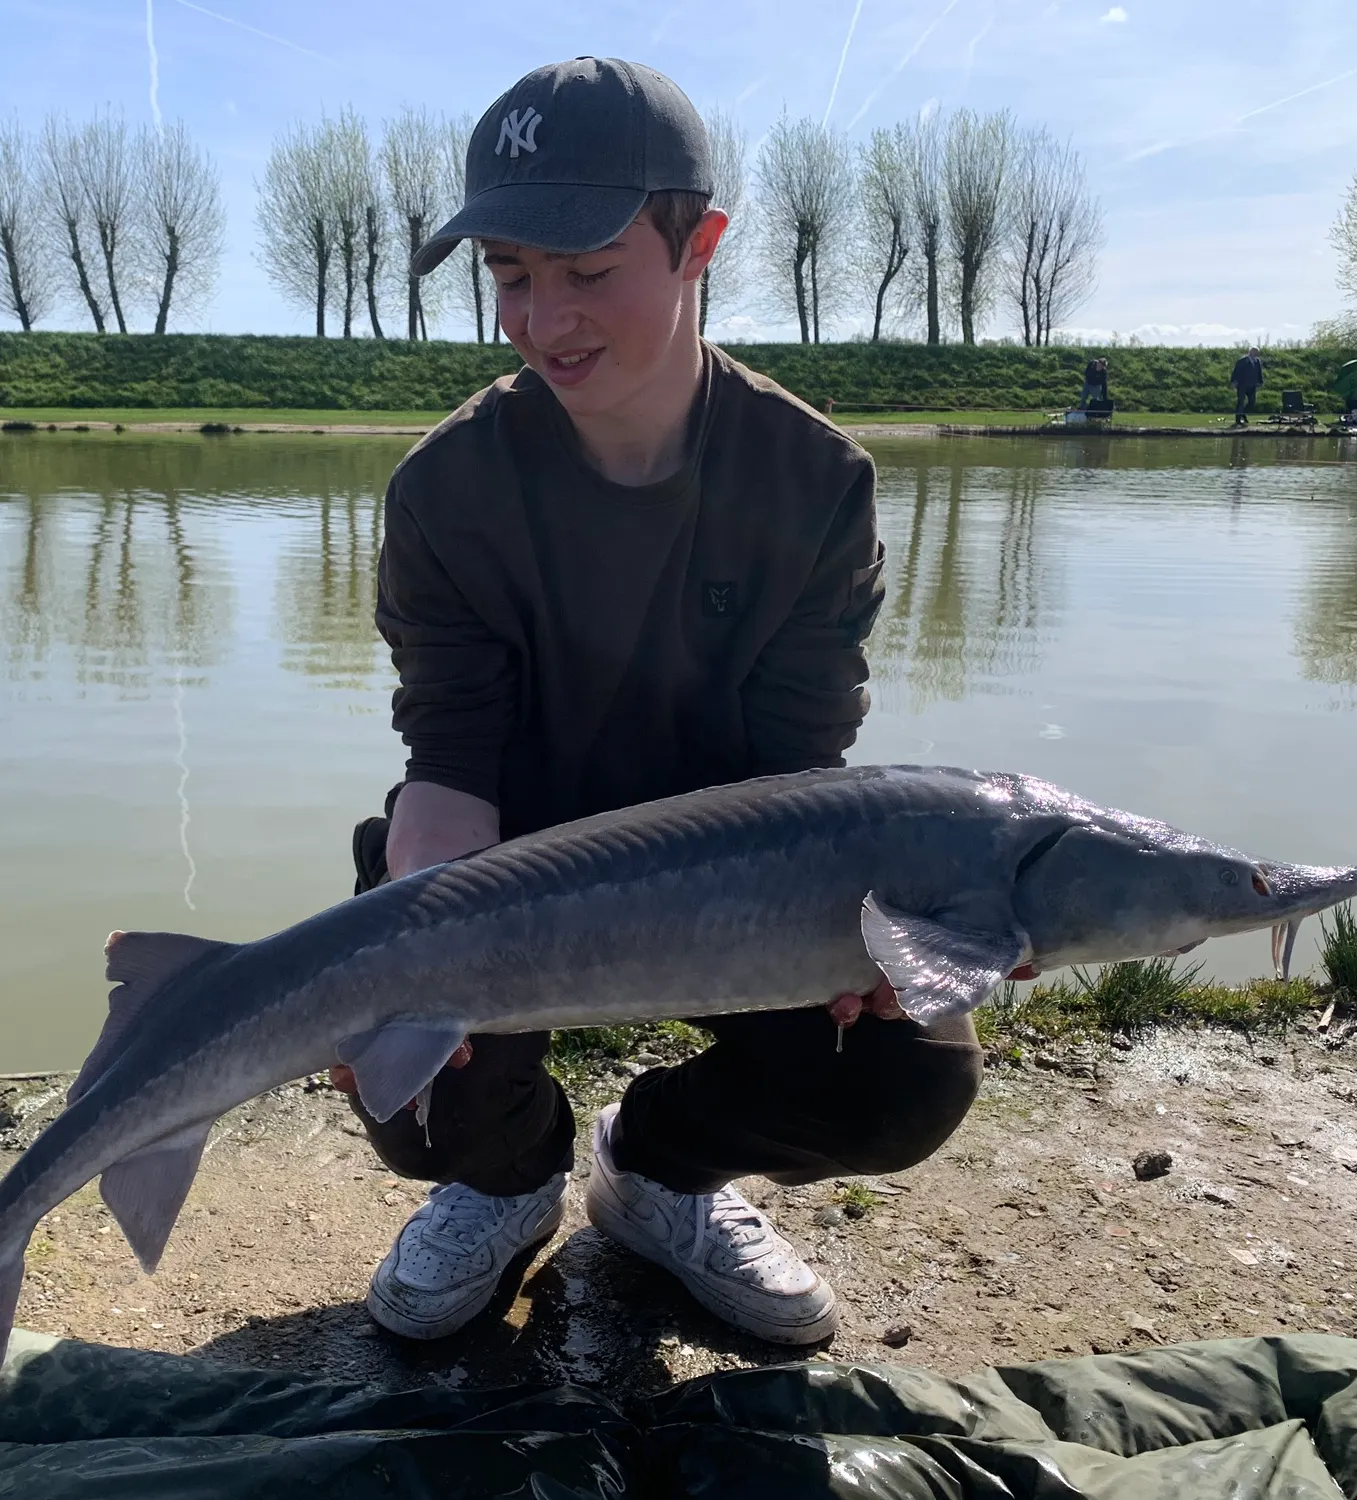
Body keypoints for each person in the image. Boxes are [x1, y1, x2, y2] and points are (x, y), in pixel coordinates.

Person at [330, 58, 983, 1350]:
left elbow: (804, 770)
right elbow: (449, 759)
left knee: (908, 1076)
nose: (541, 317)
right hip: (509, 862)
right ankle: (506, 1181)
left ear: (701, 246)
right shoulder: (444, 490)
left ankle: (658, 1170)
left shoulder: (814, 481)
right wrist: (418, 957)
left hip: (733, 865)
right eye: (510, 274)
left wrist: (872, 944)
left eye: (587, 271)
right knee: (411, 1088)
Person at [1230, 347, 1263, 425]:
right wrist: (1234, 381)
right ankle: (1238, 420)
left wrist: (1260, 381)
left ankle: (1243, 413)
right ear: (1251, 352)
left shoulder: (1257, 361)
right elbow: (1236, 371)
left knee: (1252, 402)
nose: (1257, 354)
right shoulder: (1243, 361)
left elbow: (1259, 372)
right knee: (1241, 401)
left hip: (1252, 384)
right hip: (1242, 384)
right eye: (1255, 352)